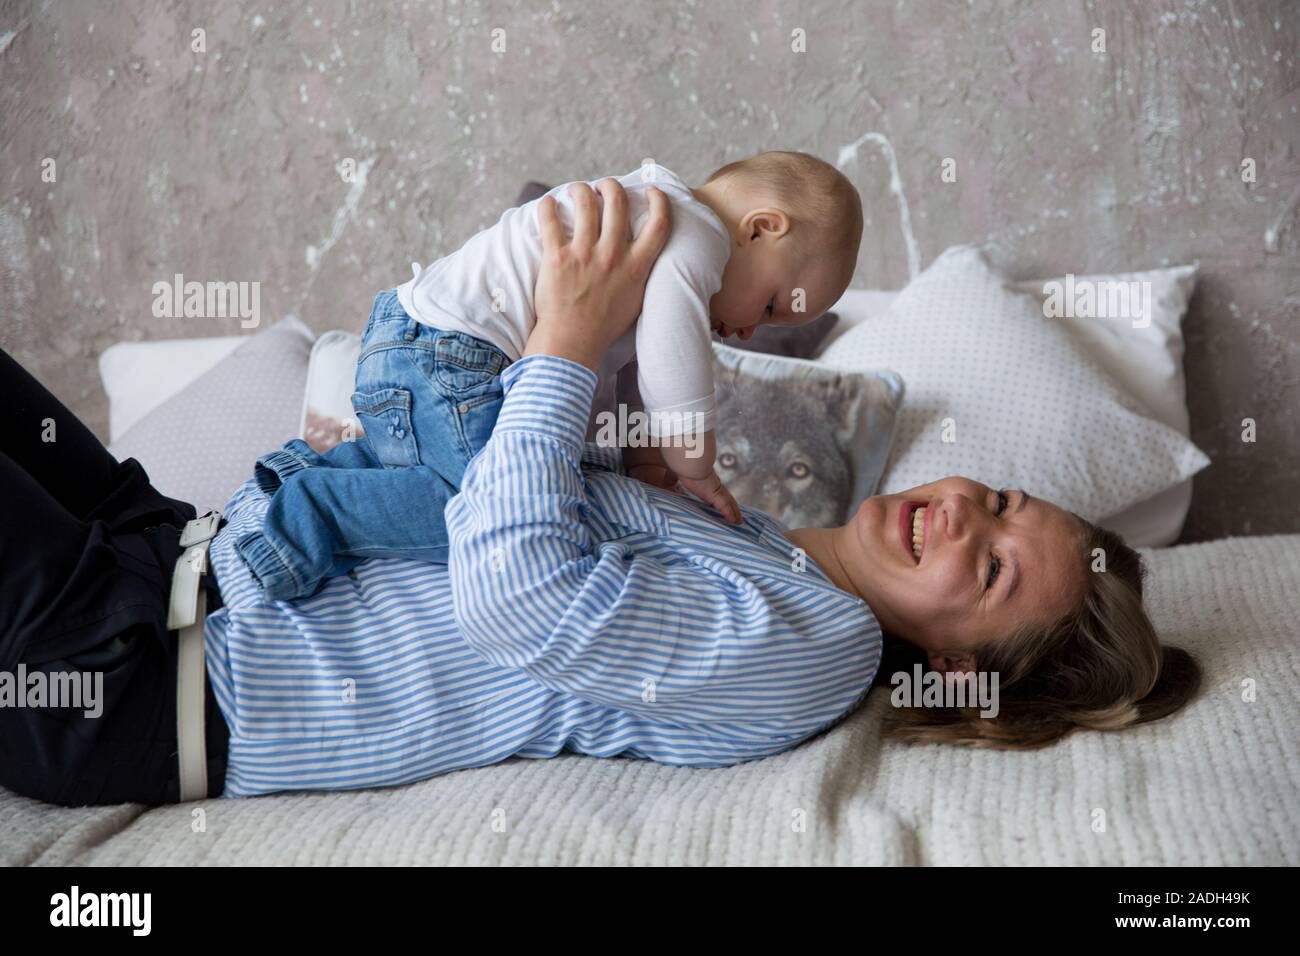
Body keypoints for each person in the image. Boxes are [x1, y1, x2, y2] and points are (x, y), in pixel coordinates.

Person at [0, 179, 1198, 808]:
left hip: (144, 675)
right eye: (992, 496)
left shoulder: (819, 652)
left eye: (986, 568)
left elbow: (514, 597)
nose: (957, 514)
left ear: (954, 669)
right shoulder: (766, 539)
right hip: (168, 549)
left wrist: (562, 349)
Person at [233, 151, 864, 601]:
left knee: (431, 478)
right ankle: (310, 515)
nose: (755, 330)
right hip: (460, 355)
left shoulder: (661, 218)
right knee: (483, 520)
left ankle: (315, 468)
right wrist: (695, 463)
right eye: (778, 306)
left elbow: (640, 374)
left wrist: (649, 467)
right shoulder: (697, 237)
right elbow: (674, 363)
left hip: (410, 340)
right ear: (762, 228)